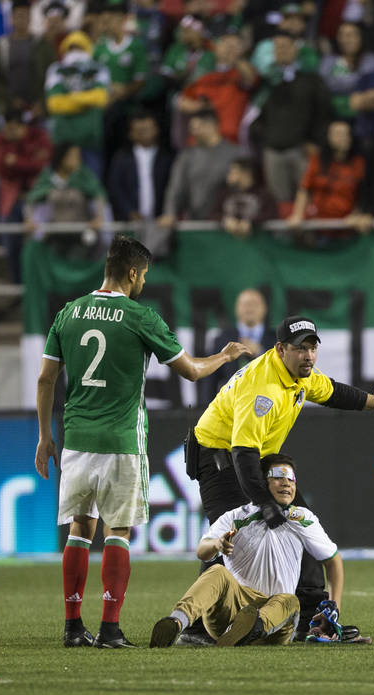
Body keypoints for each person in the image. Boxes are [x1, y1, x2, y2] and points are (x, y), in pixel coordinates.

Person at [34, 235, 250, 649]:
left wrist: (46, 436)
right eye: (144, 275)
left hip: (76, 437)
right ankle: (111, 629)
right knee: (118, 531)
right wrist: (224, 357)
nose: (144, 282)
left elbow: (46, 379)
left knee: (80, 530)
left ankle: (73, 627)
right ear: (133, 273)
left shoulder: (69, 313)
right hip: (121, 440)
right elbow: (189, 370)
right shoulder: (140, 317)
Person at [186, 314, 374, 642]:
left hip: (254, 457)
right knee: (231, 533)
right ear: (280, 349)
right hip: (219, 456)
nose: (308, 355)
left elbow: (336, 393)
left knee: (300, 522)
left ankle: (312, 621)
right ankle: (197, 628)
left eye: (312, 347)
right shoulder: (263, 388)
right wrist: (265, 504)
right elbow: (243, 456)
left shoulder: (300, 374)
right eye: (301, 349)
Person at [149, 454, 343, 647]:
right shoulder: (235, 516)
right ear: (259, 482)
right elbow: (202, 550)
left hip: (275, 619)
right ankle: (176, 622)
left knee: (289, 600)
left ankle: (252, 628)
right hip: (233, 611)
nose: (286, 483)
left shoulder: (302, 517)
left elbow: (333, 561)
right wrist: (217, 544)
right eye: (277, 477)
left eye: (291, 478)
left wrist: (333, 610)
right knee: (216, 571)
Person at [248, 32, 332, 204]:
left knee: (309, 202)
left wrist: (316, 142)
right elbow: (254, 116)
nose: (281, 51)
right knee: (279, 205)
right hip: (273, 151)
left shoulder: (311, 80)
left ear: (296, 49)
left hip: (303, 151)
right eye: (277, 48)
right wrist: (266, 138)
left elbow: (324, 113)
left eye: (286, 46)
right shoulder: (267, 82)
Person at [159, 110, 244, 226]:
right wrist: (169, 213)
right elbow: (176, 187)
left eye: (196, 128)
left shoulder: (236, 153)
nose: (192, 132)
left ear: (211, 126)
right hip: (196, 223)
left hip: (229, 223)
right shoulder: (187, 156)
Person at [45, 31, 110, 179]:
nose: (76, 52)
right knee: (62, 187)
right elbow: (54, 104)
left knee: (92, 185)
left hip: (90, 139)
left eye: (79, 48)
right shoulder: (56, 69)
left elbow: (101, 98)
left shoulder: (99, 68)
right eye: (71, 48)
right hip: (63, 140)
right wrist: (86, 101)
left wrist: (71, 98)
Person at [202, 288, 276, 401]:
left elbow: (284, 376)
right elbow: (210, 381)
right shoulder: (221, 340)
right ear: (236, 309)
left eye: (254, 303)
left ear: (264, 308)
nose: (249, 307)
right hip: (231, 410)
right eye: (245, 304)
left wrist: (261, 353)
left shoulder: (278, 340)